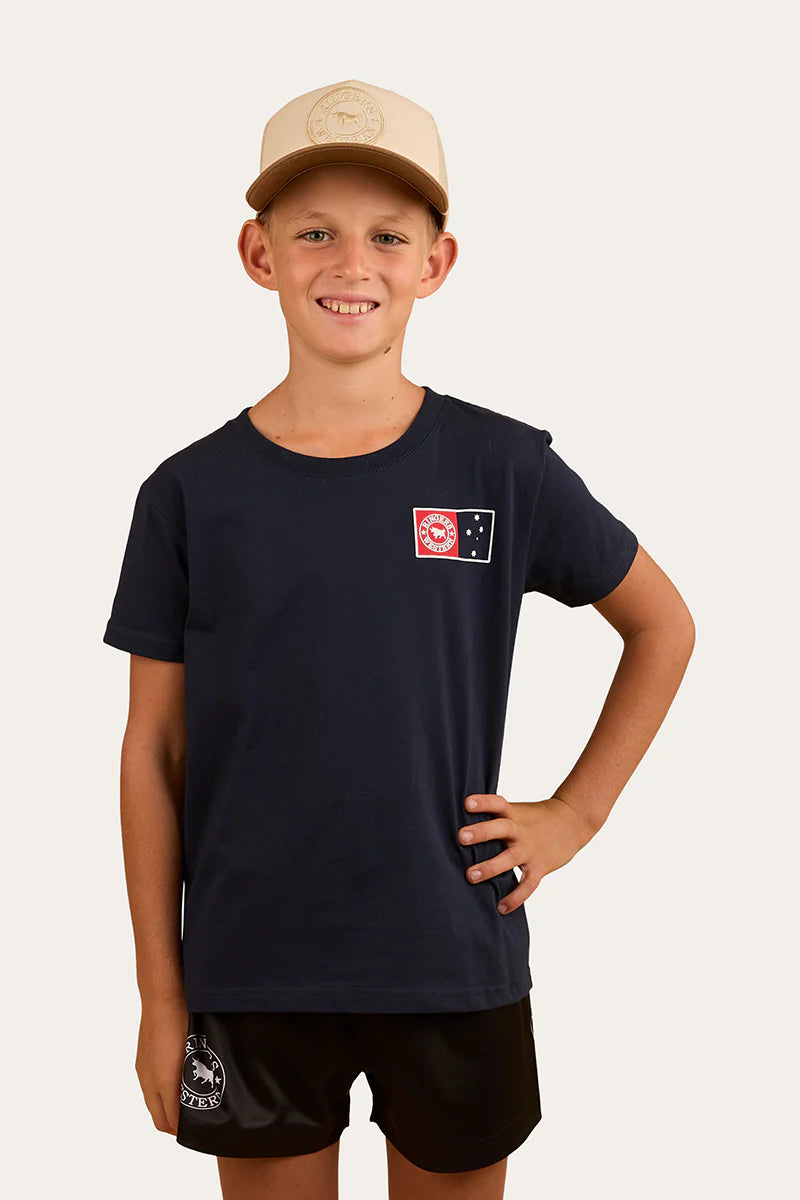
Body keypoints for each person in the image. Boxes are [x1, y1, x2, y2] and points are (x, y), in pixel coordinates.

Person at [102, 78, 695, 1200]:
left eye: (387, 236)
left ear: (436, 262)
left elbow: (662, 624)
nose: (351, 264)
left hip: (450, 956)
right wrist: (160, 997)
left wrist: (575, 814)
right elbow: (151, 752)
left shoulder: (501, 469)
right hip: (252, 970)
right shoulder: (189, 494)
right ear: (258, 253)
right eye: (313, 232)